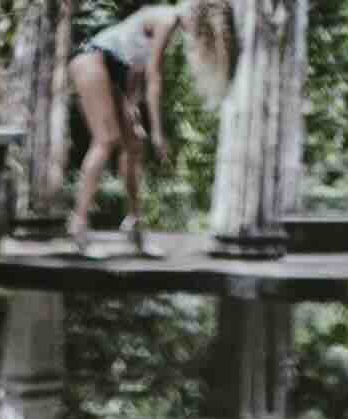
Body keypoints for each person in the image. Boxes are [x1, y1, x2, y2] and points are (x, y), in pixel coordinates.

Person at [65, 0, 234, 253]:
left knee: (134, 145)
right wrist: (157, 132)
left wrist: (132, 105)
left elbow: (135, 65)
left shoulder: (168, 24)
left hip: (112, 69)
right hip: (91, 60)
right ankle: (78, 225)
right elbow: (154, 77)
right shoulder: (167, 19)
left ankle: (134, 226)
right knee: (106, 139)